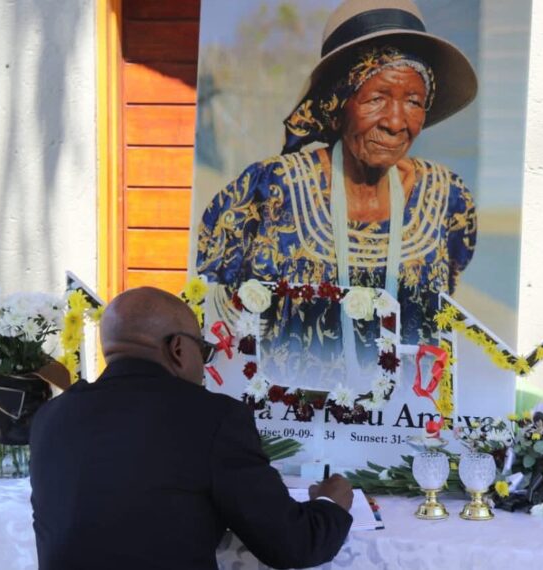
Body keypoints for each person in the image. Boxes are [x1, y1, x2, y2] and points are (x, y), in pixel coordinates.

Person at [197, 0, 479, 346]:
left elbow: (438, 322)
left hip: (407, 398)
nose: (395, 122)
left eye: (413, 102)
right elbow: (218, 320)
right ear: (337, 104)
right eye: (376, 98)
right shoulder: (271, 190)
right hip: (291, 399)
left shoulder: (445, 197)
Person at [29, 287, 353, 570]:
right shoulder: (212, 417)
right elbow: (293, 544)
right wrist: (330, 503)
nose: (205, 366)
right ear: (179, 349)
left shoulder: (51, 417)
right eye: (205, 351)